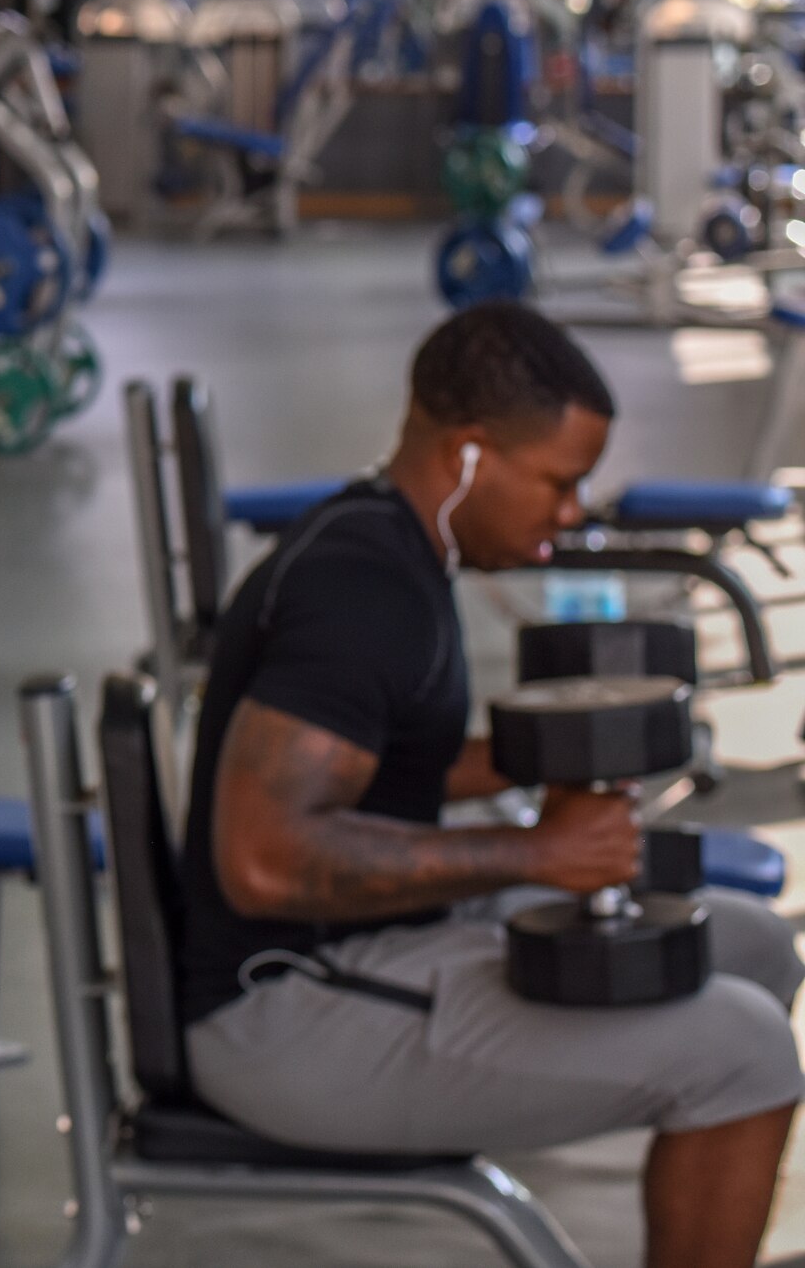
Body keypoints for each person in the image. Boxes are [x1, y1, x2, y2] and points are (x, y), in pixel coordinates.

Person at [176, 302, 804, 1268]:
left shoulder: (388, 544)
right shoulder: (366, 591)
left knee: (751, 943)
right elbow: (263, 858)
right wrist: (536, 853)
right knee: (743, 1050)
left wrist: (541, 760)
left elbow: (376, 770)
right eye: (559, 482)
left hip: (359, 959)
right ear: (469, 455)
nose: (571, 511)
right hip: (284, 1011)